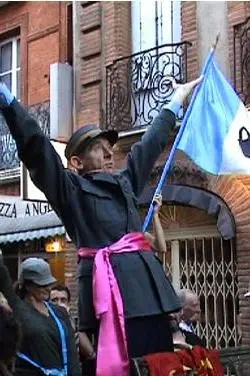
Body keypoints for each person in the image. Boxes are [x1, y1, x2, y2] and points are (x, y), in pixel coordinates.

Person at [0, 76, 201, 376]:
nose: (109, 153)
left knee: (160, 367)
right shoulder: (71, 190)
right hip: (113, 303)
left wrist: (176, 101)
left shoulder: (125, 182)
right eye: (98, 147)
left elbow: (150, 145)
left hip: (151, 299)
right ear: (77, 162)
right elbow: (37, 148)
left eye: (110, 147)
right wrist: (8, 101)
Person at [0, 257, 81, 376]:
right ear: (27, 286)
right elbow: (3, 277)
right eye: (42, 284)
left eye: (49, 283)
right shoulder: (17, 309)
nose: (48, 288)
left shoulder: (59, 312)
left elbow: (72, 354)